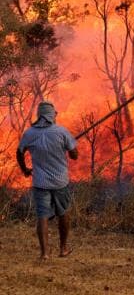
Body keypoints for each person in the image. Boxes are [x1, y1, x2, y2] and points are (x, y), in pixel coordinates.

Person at [16, 101, 78, 260]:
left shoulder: (29, 133)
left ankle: (45, 253)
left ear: (40, 116)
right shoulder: (61, 132)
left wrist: (24, 169)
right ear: (52, 115)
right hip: (60, 182)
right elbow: (74, 155)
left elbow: (19, 152)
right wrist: (69, 147)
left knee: (42, 216)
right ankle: (63, 248)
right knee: (63, 213)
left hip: (40, 182)